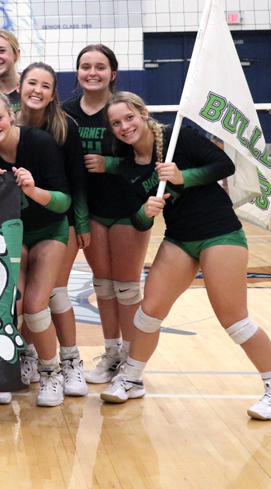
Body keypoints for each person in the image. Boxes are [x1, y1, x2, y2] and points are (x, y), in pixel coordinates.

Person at [99, 93, 271, 421]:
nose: (124, 126)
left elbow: (225, 165)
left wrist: (183, 176)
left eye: (129, 118)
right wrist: (145, 212)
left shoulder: (180, 138)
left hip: (219, 232)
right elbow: (137, 221)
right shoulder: (128, 168)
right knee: (147, 314)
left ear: (143, 114)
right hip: (179, 238)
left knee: (235, 321)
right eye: (116, 123)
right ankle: (132, 378)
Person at [0, 76, 71, 408]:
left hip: (50, 231)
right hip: (13, 235)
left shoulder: (39, 142)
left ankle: (51, 373)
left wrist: (32, 190)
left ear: (11, 114)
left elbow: (63, 203)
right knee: (8, 303)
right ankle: (9, 366)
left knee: (35, 304)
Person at [61, 45, 149, 384]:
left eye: (100, 66)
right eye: (85, 66)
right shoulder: (65, 113)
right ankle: (112, 354)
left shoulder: (124, 110)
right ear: (78, 72)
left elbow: (146, 153)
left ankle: (131, 358)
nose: (92, 72)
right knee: (103, 285)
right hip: (92, 210)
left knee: (126, 286)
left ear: (113, 73)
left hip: (128, 207)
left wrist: (110, 164)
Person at [15, 62, 89, 398]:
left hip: (59, 221)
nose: (37, 90)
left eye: (45, 86)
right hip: (19, 226)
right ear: (19, 86)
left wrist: (80, 224)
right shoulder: (5, 124)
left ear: (53, 94)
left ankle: (70, 362)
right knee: (27, 297)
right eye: (32, 83)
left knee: (53, 294)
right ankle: (28, 356)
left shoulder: (64, 128)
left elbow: (76, 180)